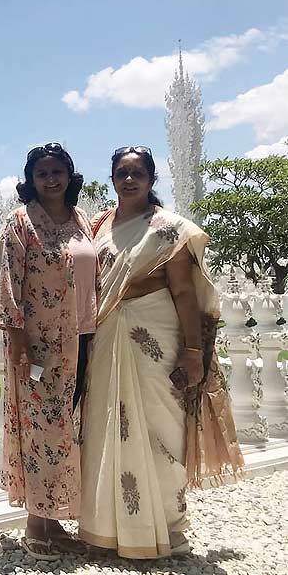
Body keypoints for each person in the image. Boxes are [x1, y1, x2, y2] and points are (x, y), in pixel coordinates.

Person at [78, 146, 243, 559]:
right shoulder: (100, 226)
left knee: (161, 423)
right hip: (107, 337)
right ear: (112, 178)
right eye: (121, 173)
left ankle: (167, 524)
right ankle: (109, 528)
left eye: (137, 173)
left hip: (154, 337)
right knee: (104, 424)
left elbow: (185, 292)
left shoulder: (170, 228)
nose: (128, 180)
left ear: (152, 179)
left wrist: (191, 351)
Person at [0, 142, 96, 560]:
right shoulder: (21, 223)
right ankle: (35, 524)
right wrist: (17, 340)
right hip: (37, 347)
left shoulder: (81, 220)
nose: (50, 179)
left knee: (66, 431)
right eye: (42, 173)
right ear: (30, 180)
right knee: (40, 432)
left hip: (82, 339)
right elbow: (8, 282)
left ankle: (54, 519)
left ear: (70, 177)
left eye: (57, 172)